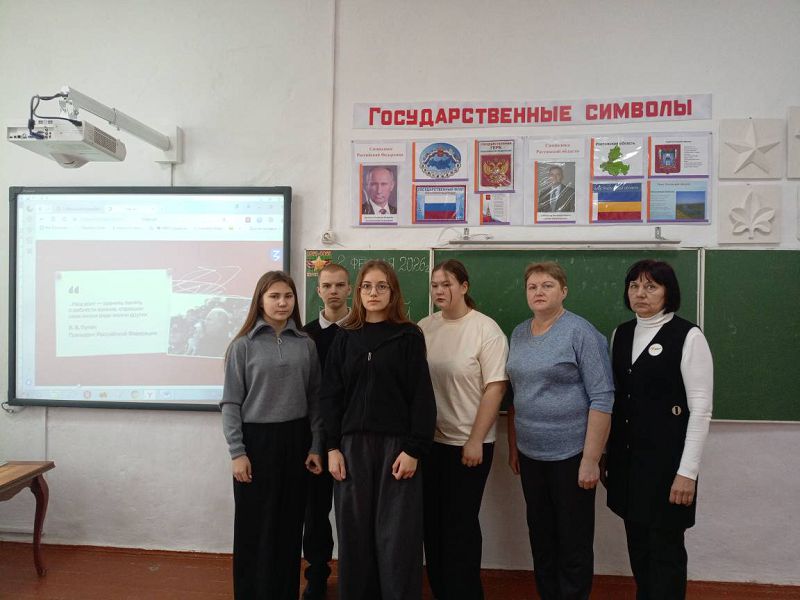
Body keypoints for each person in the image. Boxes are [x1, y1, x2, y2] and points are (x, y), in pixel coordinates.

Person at [322, 259, 436, 600]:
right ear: (358, 292)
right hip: (351, 449)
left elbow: (421, 397)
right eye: (367, 286)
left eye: (381, 286)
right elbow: (330, 396)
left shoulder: (408, 336)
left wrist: (414, 449)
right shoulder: (344, 337)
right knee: (354, 533)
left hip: (397, 449)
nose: (374, 293)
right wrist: (331, 447)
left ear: (392, 292)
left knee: (397, 536)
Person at [605, 260, 713, 600]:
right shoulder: (621, 334)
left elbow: (701, 410)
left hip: (668, 467)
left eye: (651, 286)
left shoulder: (688, 336)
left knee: (665, 550)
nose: (640, 293)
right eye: (634, 286)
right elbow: (618, 400)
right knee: (638, 547)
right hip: (628, 464)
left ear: (668, 292)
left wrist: (687, 473)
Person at [506, 261, 614, 600]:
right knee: (541, 538)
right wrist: (514, 446)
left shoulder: (581, 332)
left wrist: (591, 460)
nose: (538, 292)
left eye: (547, 285)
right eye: (532, 287)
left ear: (563, 291)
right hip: (530, 455)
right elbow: (516, 394)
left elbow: (603, 397)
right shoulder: (519, 333)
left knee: (573, 541)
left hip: (572, 456)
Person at [220, 271, 324, 600]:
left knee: (289, 526)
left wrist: (316, 445)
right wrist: (238, 453)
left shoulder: (306, 344)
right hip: (256, 444)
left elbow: (316, 399)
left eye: (288, 296)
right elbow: (231, 402)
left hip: (296, 441)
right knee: (254, 528)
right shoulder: (242, 346)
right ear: (260, 301)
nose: (282, 303)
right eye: (274, 296)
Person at [418, 260, 508, 600]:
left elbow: (495, 388)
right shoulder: (424, 327)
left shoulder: (485, 329)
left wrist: (475, 440)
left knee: (460, 526)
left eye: (447, 284)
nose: (440, 291)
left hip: (469, 444)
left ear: (464, 287)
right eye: (435, 285)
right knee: (432, 525)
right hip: (430, 443)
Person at [300, 262, 352, 599]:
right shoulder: (304, 336)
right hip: (315, 440)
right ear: (318, 290)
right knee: (315, 513)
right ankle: (316, 576)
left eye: (339, 285)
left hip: (353, 438)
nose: (333, 291)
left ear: (350, 289)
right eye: (327, 285)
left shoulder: (362, 330)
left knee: (353, 514)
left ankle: (356, 577)